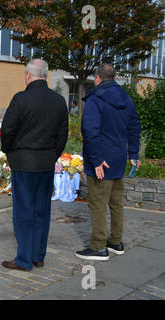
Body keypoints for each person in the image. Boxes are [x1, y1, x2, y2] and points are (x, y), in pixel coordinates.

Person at [1, 59, 69, 271]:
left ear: (28, 75)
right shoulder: (58, 101)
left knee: (24, 212)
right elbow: (62, 134)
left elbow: (7, 131)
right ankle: (38, 255)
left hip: (23, 163)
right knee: (42, 211)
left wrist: (9, 151)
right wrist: (52, 155)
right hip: (45, 163)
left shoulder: (21, 99)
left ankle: (24, 259)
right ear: (46, 75)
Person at [75, 64, 141, 261]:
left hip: (101, 160)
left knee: (97, 203)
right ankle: (115, 241)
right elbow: (135, 126)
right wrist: (133, 154)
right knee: (116, 203)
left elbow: (90, 131)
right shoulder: (126, 98)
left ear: (97, 78)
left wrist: (96, 160)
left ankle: (98, 246)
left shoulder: (95, 99)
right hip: (118, 158)